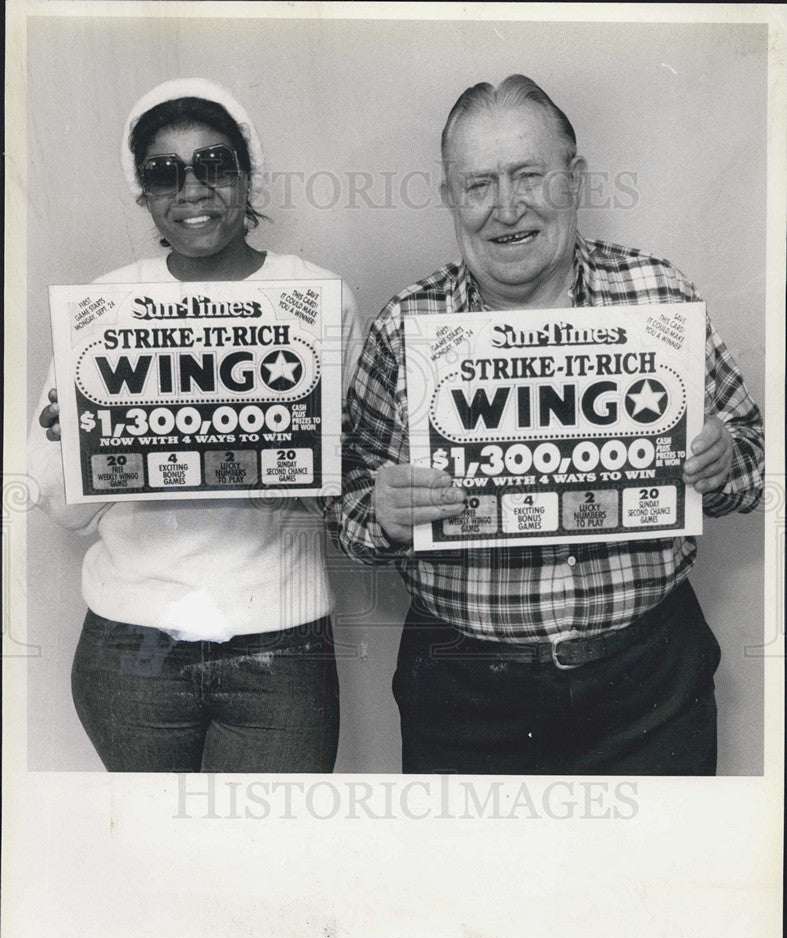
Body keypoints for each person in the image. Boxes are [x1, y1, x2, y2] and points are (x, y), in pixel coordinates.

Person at [337, 74, 764, 776]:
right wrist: (379, 513)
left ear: (574, 180)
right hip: (462, 691)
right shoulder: (405, 325)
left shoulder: (659, 299)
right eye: (478, 185)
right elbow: (345, 506)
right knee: (474, 888)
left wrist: (724, 463)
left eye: (529, 175)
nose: (507, 208)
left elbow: (752, 458)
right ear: (450, 200)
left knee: (659, 885)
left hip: (647, 680)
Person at [29, 78, 362, 773]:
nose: (191, 189)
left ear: (247, 175)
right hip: (134, 644)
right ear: (143, 193)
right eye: (163, 172)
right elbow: (64, 511)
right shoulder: (106, 307)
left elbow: (358, 490)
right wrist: (74, 444)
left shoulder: (319, 299)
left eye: (213, 164)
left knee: (269, 866)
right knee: (152, 863)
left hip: (279, 638)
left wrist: (322, 451)